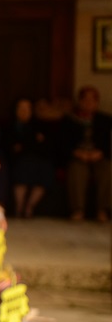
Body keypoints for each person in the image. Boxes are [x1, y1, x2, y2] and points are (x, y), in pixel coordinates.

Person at [62, 86, 112, 221]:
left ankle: (103, 210)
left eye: (92, 100)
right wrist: (78, 153)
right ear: (80, 101)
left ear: (97, 103)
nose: (88, 103)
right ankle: (78, 210)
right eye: (85, 100)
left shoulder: (105, 120)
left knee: (107, 169)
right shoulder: (70, 120)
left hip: (99, 156)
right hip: (78, 156)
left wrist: (100, 154)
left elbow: (108, 143)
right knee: (77, 171)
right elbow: (63, 144)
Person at [7, 97, 54, 218]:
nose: (24, 111)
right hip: (17, 160)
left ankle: (29, 207)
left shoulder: (38, 125)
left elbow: (44, 146)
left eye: (27, 108)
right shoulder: (9, 126)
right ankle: (19, 207)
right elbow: (11, 147)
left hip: (37, 160)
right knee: (24, 166)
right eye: (21, 108)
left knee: (43, 167)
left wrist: (26, 145)